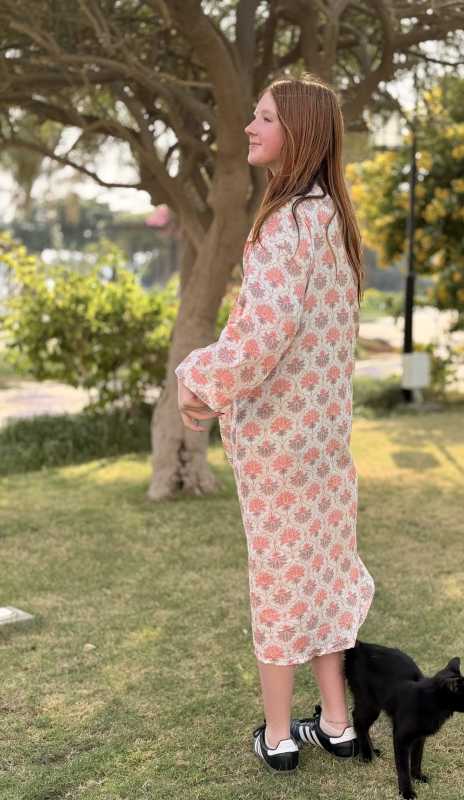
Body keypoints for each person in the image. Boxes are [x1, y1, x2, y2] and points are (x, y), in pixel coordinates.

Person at [175, 73, 375, 774]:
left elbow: (262, 336)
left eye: (263, 119)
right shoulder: (335, 223)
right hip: (323, 441)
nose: (250, 128)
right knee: (323, 572)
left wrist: (194, 379)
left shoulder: (285, 224)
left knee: (283, 580)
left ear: (298, 133)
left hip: (281, 445)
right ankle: (340, 723)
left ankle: (281, 734)